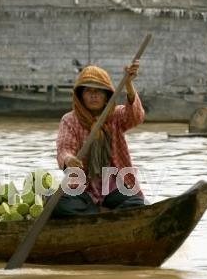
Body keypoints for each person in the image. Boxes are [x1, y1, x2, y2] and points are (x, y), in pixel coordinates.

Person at [54, 62, 146, 216]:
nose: (93, 95)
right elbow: (64, 148)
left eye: (99, 91)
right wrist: (69, 159)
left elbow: (135, 116)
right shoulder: (70, 120)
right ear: (81, 96)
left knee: (136, 203)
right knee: (55, 202)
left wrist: (128, 84)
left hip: (113, 185)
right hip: (83, 187)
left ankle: (102, 213)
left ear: (107, 96)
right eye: (88, 91)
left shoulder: (115, 116)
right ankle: (97, 214)